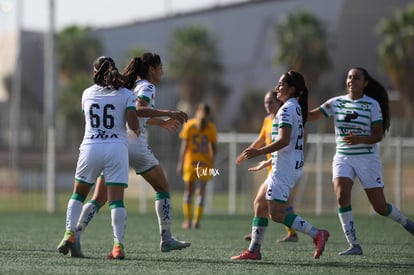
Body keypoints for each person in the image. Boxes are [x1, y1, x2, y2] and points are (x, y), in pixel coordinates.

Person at [70, 53, 191, 258]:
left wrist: (159, 122)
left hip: (115, 144)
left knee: (99, 198)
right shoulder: (147, 86)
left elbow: (134, 113)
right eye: (160, 67)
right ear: (151, 69)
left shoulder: (127, 85)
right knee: (162, 187)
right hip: (133, 145)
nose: (163, 71)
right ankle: (166, 238)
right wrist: (169, 113)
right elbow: (139, 109)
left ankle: (76, 235)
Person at [308, 67, 414, 255]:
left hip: (367, 158)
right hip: (343, 157)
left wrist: (359, 140)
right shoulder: (336, 103)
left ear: (365, 82)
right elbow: (311, 115)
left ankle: (407, 223)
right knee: (342, 196)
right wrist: (293, 107)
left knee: (380, 207)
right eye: (349, 77)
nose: (351, 81)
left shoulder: (372, 105)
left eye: (356, 78)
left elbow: (378, 135)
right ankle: (354, 244)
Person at [231, 71, 329, 261]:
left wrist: (258, 152)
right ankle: (254, 250)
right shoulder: (295, 108)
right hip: (283, 165)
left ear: (291, 89)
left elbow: (284, 141)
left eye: (281, 84)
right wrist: (268, 161)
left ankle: (317, 234)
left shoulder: (287, 109)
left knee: (276, 214)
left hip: (285, 168)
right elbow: (292, 143)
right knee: (260, 203)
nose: (277, 87)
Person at [57, 56, 140, 260]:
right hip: (116, 149)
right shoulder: (126, 94)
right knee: (116, 202)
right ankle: (118, 245)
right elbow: (133, 124)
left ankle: (69, 233)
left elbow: (90, 117)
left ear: (95, 73)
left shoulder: (87, 93)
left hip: (91, 147)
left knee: (78, 194)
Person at [238, 90, 299, 243]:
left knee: (269, 203)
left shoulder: (284, 117)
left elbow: (287, 142)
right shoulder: (267, 120)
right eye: (266, 102)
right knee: (266, 202)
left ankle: (311, 233)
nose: (267, 105)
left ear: (279, 102)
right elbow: (260, 139)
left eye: (270, 102)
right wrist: (245, 153)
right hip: (272, 165)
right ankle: (263, 233)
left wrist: (260, 153)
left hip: (281, 166)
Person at [177, 103, 217, 229]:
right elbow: (214, 149)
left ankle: (187, 221)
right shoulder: (211, 127)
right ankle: (196, 221)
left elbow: (184, 147)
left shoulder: (189, 125)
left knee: (189, 192)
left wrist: (180, 163)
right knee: (201, 192)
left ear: (197, 111)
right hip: (205, 164)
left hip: (191, 163)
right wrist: (212, 162)